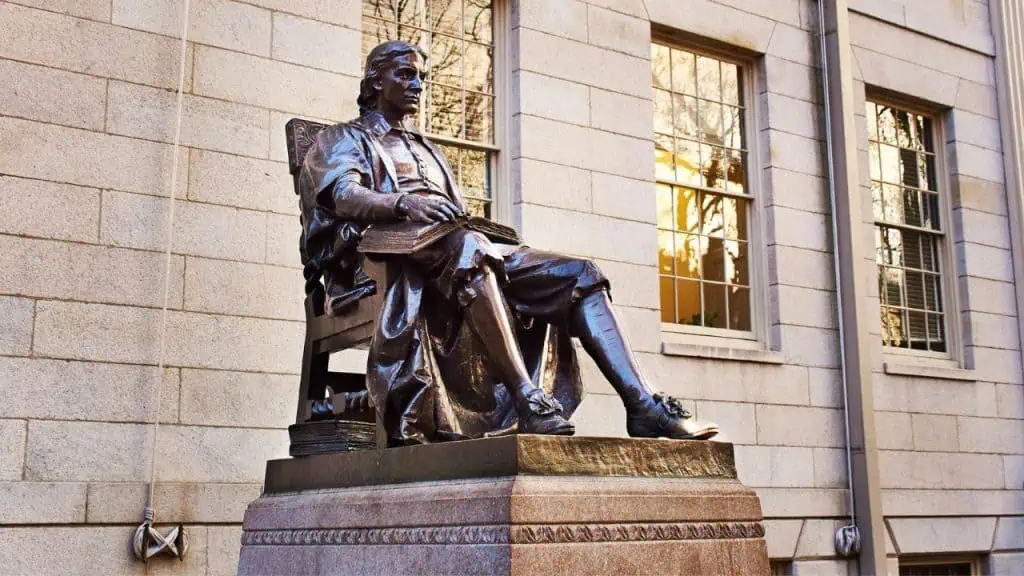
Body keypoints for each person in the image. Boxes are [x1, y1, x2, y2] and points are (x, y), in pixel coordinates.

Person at [298, 40, 718, 446]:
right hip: (386, 259)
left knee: (579, 275)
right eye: (405, 75)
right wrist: (403, 204)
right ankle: (526, 396)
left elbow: (454, 216)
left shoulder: (427, 149)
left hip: (456, 247)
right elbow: (344, 196)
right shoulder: (342, 139)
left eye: (421, 77)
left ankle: (642, 404)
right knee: (470, 248)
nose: (418, 85)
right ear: (374, 82)